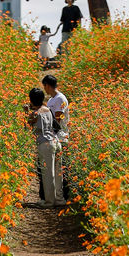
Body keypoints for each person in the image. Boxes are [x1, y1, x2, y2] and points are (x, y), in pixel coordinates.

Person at [25, 86, 65, 207]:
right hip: (56, 142)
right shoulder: (47, 109)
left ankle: (49, 202)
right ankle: (59, 199)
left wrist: (26, 113)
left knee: (48, 173)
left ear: (31, 100)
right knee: (58, 173)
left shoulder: (35, 114)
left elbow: (26, 127)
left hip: (45, 144)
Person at [42, 73, 70, 201]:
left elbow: (59, 118)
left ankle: (60, 197)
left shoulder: (60, 99)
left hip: (61, 136)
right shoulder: (52, 100)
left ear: (47, 86)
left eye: (44, 86)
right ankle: (55, 196)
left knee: (59, 170)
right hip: (53, 136)